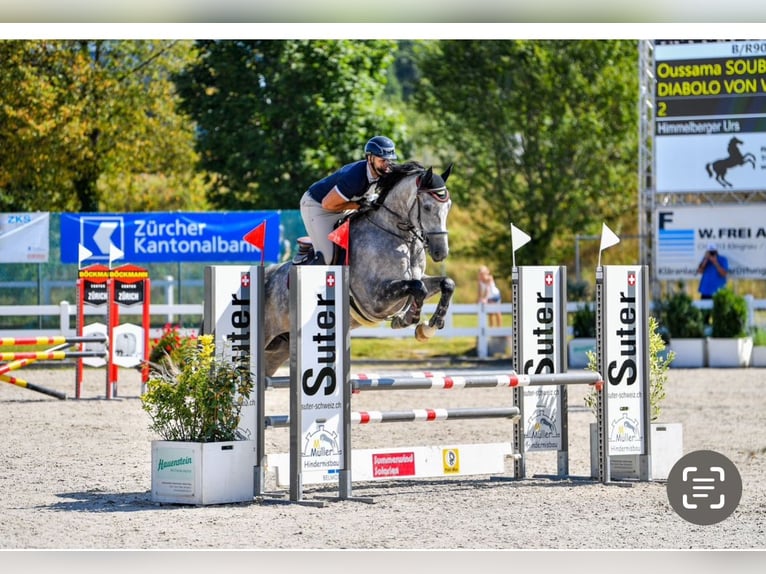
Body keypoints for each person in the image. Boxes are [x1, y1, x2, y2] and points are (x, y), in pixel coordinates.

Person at [298, 135, 397, 264]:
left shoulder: (383, 172)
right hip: (318, 207)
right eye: (382, 160)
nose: (386, 165)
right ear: (370, 158)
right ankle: (306, 260)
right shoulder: (355, 178)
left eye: (389, 160)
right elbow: (328, 205)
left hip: (344, 206)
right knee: (327, 258)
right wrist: (358, 206)